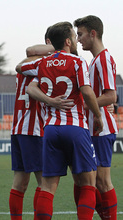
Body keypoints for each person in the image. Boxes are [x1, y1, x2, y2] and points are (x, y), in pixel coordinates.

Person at [19, 21, 103, 220]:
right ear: (67, 41)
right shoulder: (77, 61)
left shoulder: (42, 63)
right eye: (74, 37)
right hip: (75, 127)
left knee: (47, 187)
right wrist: (98, 116)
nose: (76, 40)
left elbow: (25, 77)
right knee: (88, 184)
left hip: (50, 130)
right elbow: (87, 92)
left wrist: (49, 101)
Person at [9, 28, 74, 220]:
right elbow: (31, 50)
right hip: (33, 129)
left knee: (20, 183)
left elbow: (27, 53)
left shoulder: (27, 65)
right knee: (44, 183)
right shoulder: (43, 64)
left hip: (19, 128)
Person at [74, 15, 118, 219]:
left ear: (93, 33)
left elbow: (111, 95)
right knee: (86, 181)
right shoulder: (95, 61)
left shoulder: (103, 59)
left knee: (101, 182)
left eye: (81, 34)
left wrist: (83, 105)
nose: (78, 38)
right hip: (93, 128)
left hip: (102, 129)